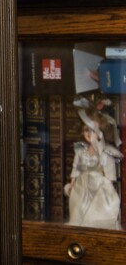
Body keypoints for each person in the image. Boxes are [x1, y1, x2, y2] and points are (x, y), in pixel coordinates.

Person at [64, 96, 122, 229]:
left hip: (99, 187)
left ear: (100, 133)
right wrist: (72, 183)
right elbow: (76, 168)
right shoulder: (80, 150)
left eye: (93, 130)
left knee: (96, 214)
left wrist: (108, 189)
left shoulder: (106, 152)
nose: (89, 134)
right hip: (81, 186)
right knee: (79, 210)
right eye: (86, 130)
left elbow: (109, 174)